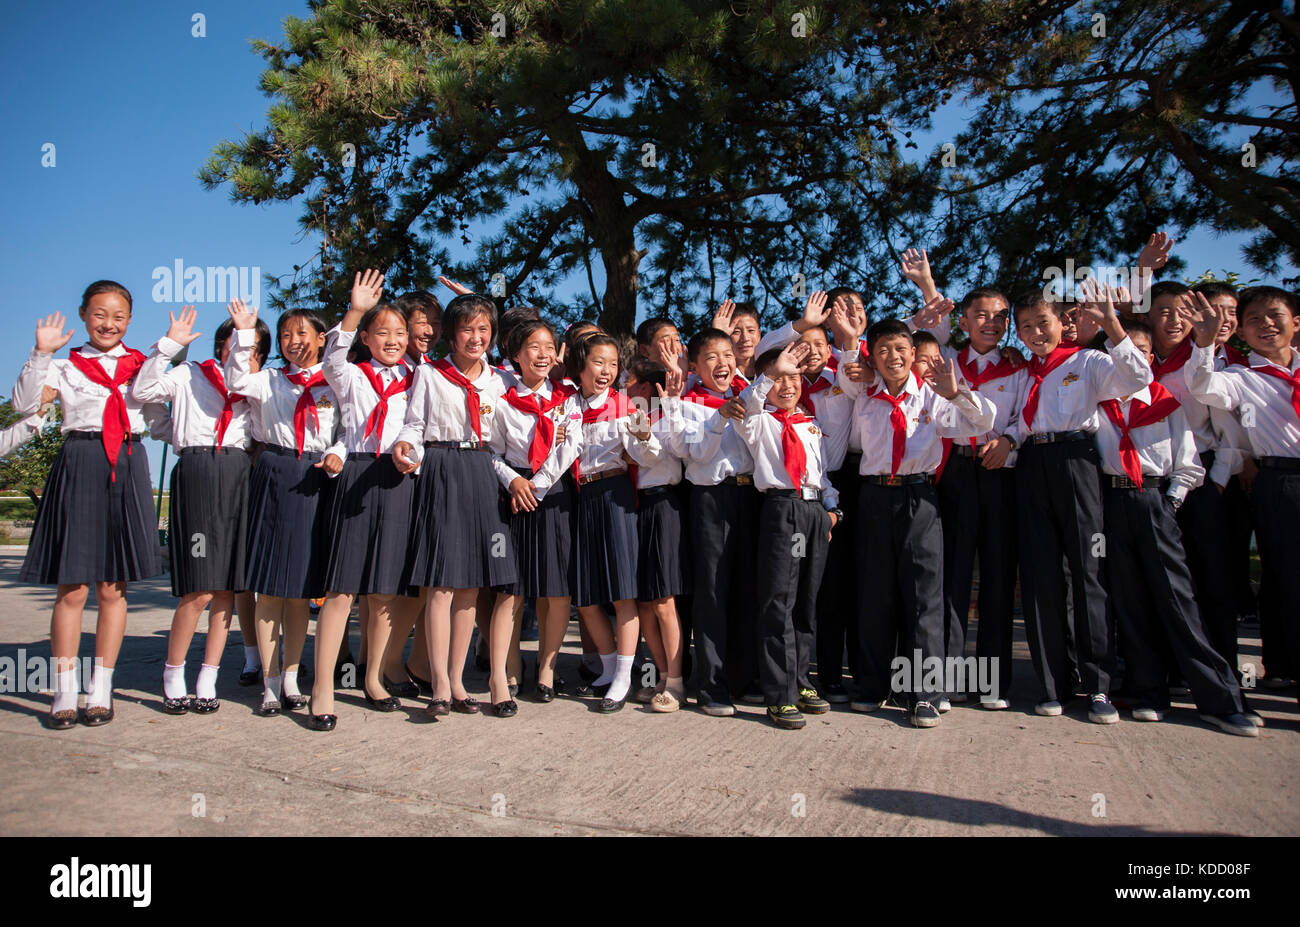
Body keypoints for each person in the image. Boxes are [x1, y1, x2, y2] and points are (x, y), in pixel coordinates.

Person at [1094, 318, 1257, 735]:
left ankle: (1220, 698)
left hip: (1154, 500)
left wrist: (1169, 503)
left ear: (1149, 359)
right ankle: (1148, 691)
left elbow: (1188, 464)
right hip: (1110, 502)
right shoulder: (1097, 404)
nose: (1133, 359)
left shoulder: (1166, 402)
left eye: (1142, 351)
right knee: (1128, 600)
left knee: (1177, 598)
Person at [14, 289, 168, 728]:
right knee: (73, 587)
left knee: (111, 588)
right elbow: (25, 407)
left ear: (131, 319)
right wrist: (40, 354)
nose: (109, 323)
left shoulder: (141, 366)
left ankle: (100, 689)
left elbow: (158, 420)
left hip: (127, 460)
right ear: (84, 315)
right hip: (80, 461)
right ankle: (64, 690)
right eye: (99, 314)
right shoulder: (64, 366)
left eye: (119, 316)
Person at [835, 315, 996, 727]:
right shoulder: (864, 394)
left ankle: (926, 692)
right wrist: (854, 342)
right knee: (874, 592)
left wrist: (957, 393)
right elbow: (848, 370)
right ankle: (873, 685)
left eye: (902, 350)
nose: (894, 357)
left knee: (924, 594)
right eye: (884, 349)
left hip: (919, 497)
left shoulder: (931, 396)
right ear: (873, 355)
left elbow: (981, 422)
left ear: (913, 355)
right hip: (872, 495)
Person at [1012, 281, 1152, 722]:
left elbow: (1136, 378)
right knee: (1041, 575)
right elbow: (1020, 421)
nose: (1036, 332)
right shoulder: (1022, 372)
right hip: (1031, 464)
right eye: (1026, 326)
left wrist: (1112, 324)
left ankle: (1097, 686)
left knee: (1088, 573)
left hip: (1076, 464)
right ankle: (1052, 684)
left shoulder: (1089, 360)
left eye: (1043, 323)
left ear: (1063, 323)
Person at [133, 307, 271, 716]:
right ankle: (174, 672)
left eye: (255, 348)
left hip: (236, 471)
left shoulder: (253, 386)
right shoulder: (188, 373)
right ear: (220, 344)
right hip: (196, 470)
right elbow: (143, 393)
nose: (245, 353)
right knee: (199, 587)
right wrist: (168, 346)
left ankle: (208, 676)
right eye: (238, 341)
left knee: (227, 587)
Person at [307, 270, 425, 731]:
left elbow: (419, 427)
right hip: (357, 472)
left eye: (400, 333)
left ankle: (374, 678)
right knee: (341, 589)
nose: (393, 340)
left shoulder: (418, 379)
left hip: (397, 479)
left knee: (383, 592)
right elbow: (333, 353)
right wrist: (355, 310)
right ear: (369, 338)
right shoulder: (350, 374)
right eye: (383, 332)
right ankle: (322, 688)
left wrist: (410, 453)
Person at [393, 293, 517, 719]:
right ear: (451, 333)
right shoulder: (430, 375)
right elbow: (414, 423)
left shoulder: (500, 382)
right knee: (442, 584)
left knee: (469, 586)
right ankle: (439, 684)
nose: (476, 337)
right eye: (468, 328)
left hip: (482, 470)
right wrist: (405, 446)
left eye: (484, 329)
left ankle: (460, 680)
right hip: (443, 468)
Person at [1179, 286, 1300, 706]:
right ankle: (1281, 668)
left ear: (1295, 323)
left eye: (1275, 315)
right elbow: (1201, 387)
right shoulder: (1242, 378)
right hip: (1278, 481)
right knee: (1286, 578)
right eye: (1255, 320)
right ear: (1244, 333)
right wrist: (1205, 342)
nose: (1266, 325)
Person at [224, 299, 343, 717]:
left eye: (302, 333)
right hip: (275, 474)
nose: (294, 341)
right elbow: (236, 380)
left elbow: (351, 429)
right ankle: (270, 684)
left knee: (301, 591)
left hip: (317, 478)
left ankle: (293, 677)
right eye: (287, 334)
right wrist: (242, 334)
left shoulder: (336, 382)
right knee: (271, 588)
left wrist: (340, 453)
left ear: (321, 338)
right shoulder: (268, 380)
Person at [733, 342, 843, 729]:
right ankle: (778, 693)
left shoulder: (810, 424)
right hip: (783, 510)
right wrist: (765, 376)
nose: (788, 384)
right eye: (779, 378)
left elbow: (823, 473)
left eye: (793, 376)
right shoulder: (760, 421)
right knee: (780, 600)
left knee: (807, 601)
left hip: (814, 512)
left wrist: (832, 512)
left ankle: (800, 680)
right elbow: (746, 405)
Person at [560, 332, 663, 712]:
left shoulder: (625, 405)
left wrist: (643, 435)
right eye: (598, 362)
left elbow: (647, 455)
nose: (606, 371)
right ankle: (606, 666)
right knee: (585, 596)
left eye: (613, 364)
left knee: (622, 593)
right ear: (581, 366)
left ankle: (623, 676)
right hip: (580, 497)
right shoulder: (567, 406)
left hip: (615, 493)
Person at [934, 288, 1026, 710]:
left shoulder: (1019, 369)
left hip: (1001, 473)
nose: (991, 323)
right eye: (981, 315)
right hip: (956, 471)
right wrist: (926, 284)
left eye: (1000, 317)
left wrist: (1010, 440)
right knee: (953, 575)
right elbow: (929, 324)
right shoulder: (948, 361)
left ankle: (991, 683)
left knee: (996, 575)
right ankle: (949, 679)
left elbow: (1029, 415)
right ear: (964, 322)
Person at [489, 318, 581, 710]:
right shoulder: (502, 400)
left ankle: (546, 669)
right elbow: (489, 452)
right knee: (512, 589)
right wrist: (513, 482)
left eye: (549, 346)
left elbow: (570, 445)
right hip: (513, 494)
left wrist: (536, 487)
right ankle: (505, 672)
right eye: (533, 347)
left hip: (553, 493)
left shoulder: (568, 399)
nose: (543, 354)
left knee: (556, 589)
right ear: (515, 355)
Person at [674, 327, 759, 717]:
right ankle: (712, 686)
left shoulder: (749, 394)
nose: (722, 363)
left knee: (746, 590)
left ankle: (743, 678)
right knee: (711, 593)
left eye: (727, 355)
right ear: (694, 366)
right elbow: (699, 453)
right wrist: (720, 418)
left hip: (750, 496)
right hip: (710, 497)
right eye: (711, 357)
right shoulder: (686, 403)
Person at [625, 356, 690, 712]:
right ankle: (660, 675)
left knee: (665, 599)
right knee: (645, 601)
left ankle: (677, 682)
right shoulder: (629, 417)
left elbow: (666, 456)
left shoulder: (669, 415)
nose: (623, 387)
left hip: (664, 505)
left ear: (646, 387)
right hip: (636, 508)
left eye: (629, 381)